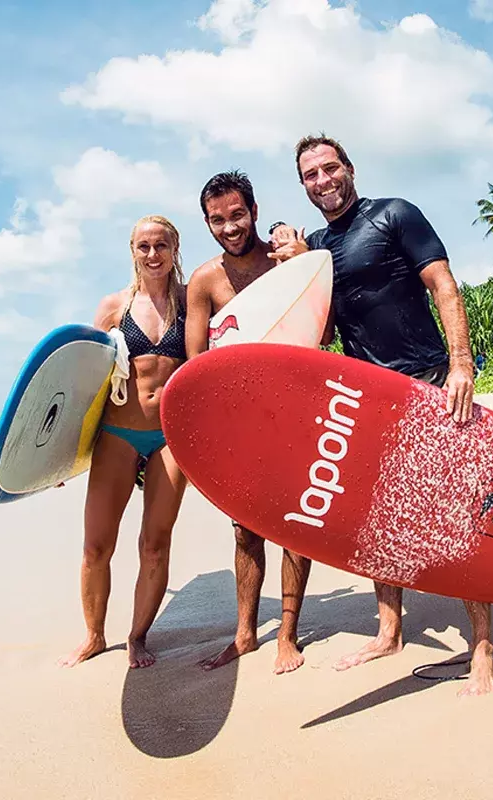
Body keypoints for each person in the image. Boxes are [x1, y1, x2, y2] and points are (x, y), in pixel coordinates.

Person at [273, 134, 493, 697]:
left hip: (427, 381)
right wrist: (300, 272)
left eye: (330, 168)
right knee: (379, 519)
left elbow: (444, 284)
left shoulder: (395, 214)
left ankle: (484, 646)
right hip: (369, 396)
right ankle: (390, 631)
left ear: (349, 168)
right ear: (303, 186)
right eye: (310, 175)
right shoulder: (318, 247)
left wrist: (461, 364)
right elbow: (320, 333)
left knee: (456, 511)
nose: (322, 181)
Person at [184, 171, 317, 675]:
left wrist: (298, 257)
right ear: (207, 223)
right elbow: (196, 362)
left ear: (255, 211)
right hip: (239, 423)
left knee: (294, 529)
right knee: (245, 532)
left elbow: (319, 326)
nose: (230, 227)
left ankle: (287, 634)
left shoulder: (285, 261)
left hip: (296, 412)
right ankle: (244, 635)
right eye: (217, 220)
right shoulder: (204, 281)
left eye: (237, 215)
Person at [60, 215, 190, 670]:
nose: (152, 254)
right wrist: (58, 454)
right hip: (117, 433)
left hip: (169, 438)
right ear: (132, 251)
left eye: (161, 245)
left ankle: (137, 636)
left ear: (175, 248)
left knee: (155, 543)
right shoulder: (115, 306)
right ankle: (94, 635)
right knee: (96, 545)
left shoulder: (192, 304)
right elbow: (84, 383)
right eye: (143, 246)